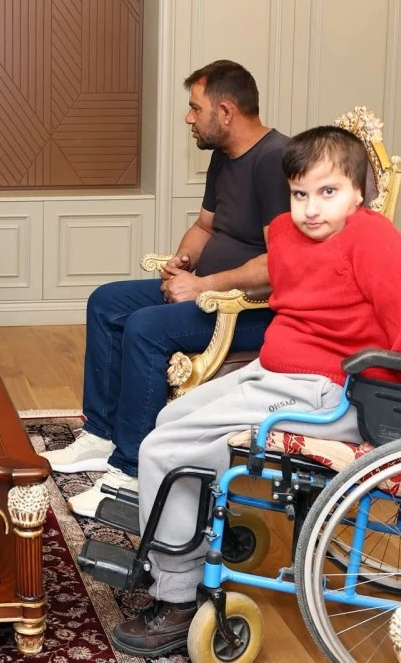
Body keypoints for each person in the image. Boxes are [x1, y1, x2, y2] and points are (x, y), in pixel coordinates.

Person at [110, 126, 401, 656]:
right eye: (299, 193)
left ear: (359, 194)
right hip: (278, 373)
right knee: (168, 422)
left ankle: (177, 597)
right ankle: (187, 534)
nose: (311, 208)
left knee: (164, 450)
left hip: (330, 390)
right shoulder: (288, 235)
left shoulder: (376, 244)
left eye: (328, 192)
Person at [40, 60, 291, 517]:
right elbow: (205, 226)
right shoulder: (225, 155)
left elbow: (280, 265)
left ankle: (133, 472)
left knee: (145, 328)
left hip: (253, 309)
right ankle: (101, 434)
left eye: (196, 108)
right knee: (106, 302)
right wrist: (183, 262)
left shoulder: (274, 160)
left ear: (226, 112)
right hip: (205, 291)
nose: (189, 118)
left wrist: (203, 284)